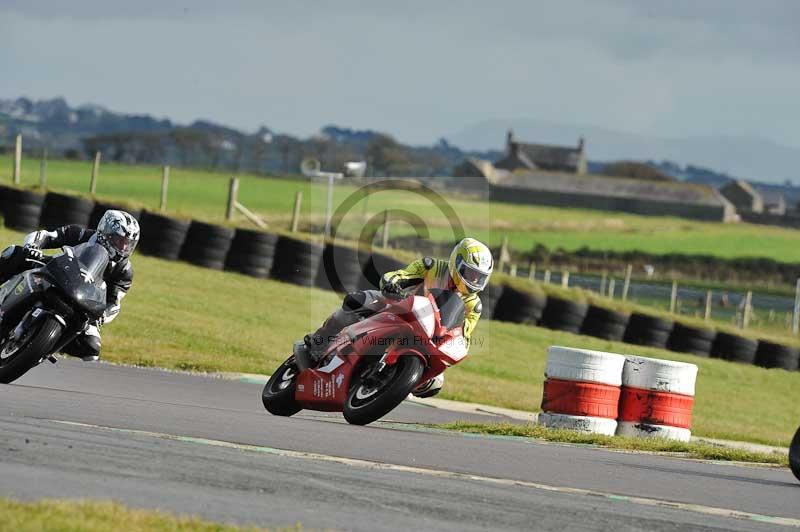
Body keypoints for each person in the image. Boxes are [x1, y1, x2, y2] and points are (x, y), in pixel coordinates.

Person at [295, 237, 494, 398]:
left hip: (429, 335)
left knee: (434, 384)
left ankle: (391, 382)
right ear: (456, 262)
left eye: (479, 277)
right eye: (470, 273)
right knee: (357, 301)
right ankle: (316, 345)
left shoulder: (473, 305)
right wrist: (393, 284)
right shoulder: (431, 266)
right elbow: (402, 275)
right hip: (399, 306)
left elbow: (463, 335)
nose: (474, 280)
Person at [0, 210, 140, 361]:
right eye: (119, 241)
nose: (123, 248)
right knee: (14, 253)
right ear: (105, 232)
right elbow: (45, 236)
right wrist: (32, 246)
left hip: (84, 300)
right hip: (56, 273)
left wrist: (103, 315)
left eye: (128, 244)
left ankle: (46, 348)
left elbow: (115, 302)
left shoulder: (124, 270)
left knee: (92, 348)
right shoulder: (80, 234)